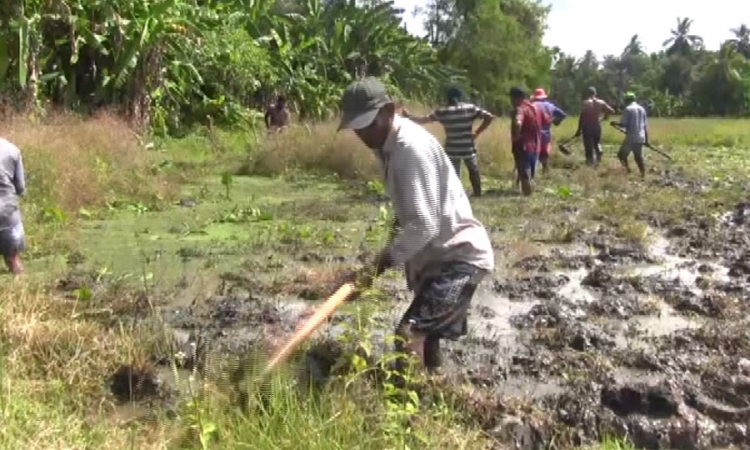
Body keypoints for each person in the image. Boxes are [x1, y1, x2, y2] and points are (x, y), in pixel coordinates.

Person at [337, 77, 494, 378]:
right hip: (438, 259)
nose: (362, 134)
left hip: (459, 258)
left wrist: (376, 267)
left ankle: (410, 412)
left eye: (368, 125)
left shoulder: (410, 148)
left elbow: (423, 225)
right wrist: (385, 252)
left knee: (408, 334)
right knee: (427, 337)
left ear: (389, 110)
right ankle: (432, 393)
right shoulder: (386, 145)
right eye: (357, 127)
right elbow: (407, 213)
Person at [402, 87, 493, 197]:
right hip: (468, 146)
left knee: (454, 174)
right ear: (460, 97)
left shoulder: (443, 111)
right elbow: (489, 117)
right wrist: (477, 132)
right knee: (473, 170)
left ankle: (456, 196)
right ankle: (478, 193)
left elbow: (423, 120)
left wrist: (408, 116)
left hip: (452, 148)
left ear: (448, 99)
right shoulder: (470, 108)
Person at [509, 87, 549, 196]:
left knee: (524, 174)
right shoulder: (535, 107)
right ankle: (528, 195)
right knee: (529, 173)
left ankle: (526, 198)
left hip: (523, 146)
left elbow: (518, 122)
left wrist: (516, 136)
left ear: (515, 98)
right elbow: (547, 120)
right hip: (536, 146)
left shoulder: (520, 109)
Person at [0, 137, 26, 275]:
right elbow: (21, 188)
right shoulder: (12, 149)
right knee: (13, 259)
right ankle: (23, 293)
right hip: (7, 213)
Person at [575, 87, 615, 166]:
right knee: (597, 143)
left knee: (588, 145)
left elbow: (582, 117)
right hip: (597, 126)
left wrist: (579, 129)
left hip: (587, 127)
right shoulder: (601, 102)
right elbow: (612, 111)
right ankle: (598, 157)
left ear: (588, 94)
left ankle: (590, 162)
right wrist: (605, 117)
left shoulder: (586, 103)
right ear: (595, 93)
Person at [530, 88, 567, 173]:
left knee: (534, 153)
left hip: (534, 133)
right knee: (544, 153)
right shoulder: (550, 106)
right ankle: (545, 169)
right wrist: (555, 121)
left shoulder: (532, 105)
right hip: (546, 134)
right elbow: (563, 115)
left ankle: (532, 173)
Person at [612, 92, 648, 178]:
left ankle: (627, 170)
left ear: (627, 100)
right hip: (641, 136)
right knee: (638, 156)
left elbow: (623, 124)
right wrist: (646, 139)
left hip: (631, 137)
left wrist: (615, 123)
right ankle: (643, 173)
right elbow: (645, 126)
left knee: (621, 155)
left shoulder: (628, 109)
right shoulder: (642, 109)